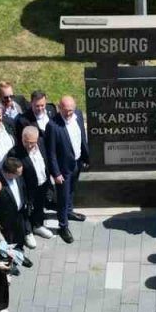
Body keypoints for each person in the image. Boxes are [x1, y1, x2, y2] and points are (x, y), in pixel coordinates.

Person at [44, 95, 89, 244]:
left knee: (71, 190)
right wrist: (55, 173)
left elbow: (82, 137)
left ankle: (69, 212)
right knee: (62, 197)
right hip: (63, 169)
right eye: (66, 111)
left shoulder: (78, 115)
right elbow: (50, 153)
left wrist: (85, 158)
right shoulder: (53, 125)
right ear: (59, 108)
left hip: (76, 163)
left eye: (72, 110)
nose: (70, 114)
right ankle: (63, 226)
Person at [9, 125, 53, 241]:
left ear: (37, 139)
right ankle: (28, 232)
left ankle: (38, 226)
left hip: (42, 183)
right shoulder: (15, 152)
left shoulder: (42, 143)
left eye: (32, 142)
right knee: (26, 210)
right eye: (26, 142)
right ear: (22, 138)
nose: (29, 145)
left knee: (39, 206)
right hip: (26, 188)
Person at [0, 157, 31, 252]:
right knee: (10, 241)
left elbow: (23, 189)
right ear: (9, 173)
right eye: (18, 173)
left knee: (20, 236)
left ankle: (20, 252)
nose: (21, 175)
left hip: (20, 214)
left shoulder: (18, 176)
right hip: (7, 220)